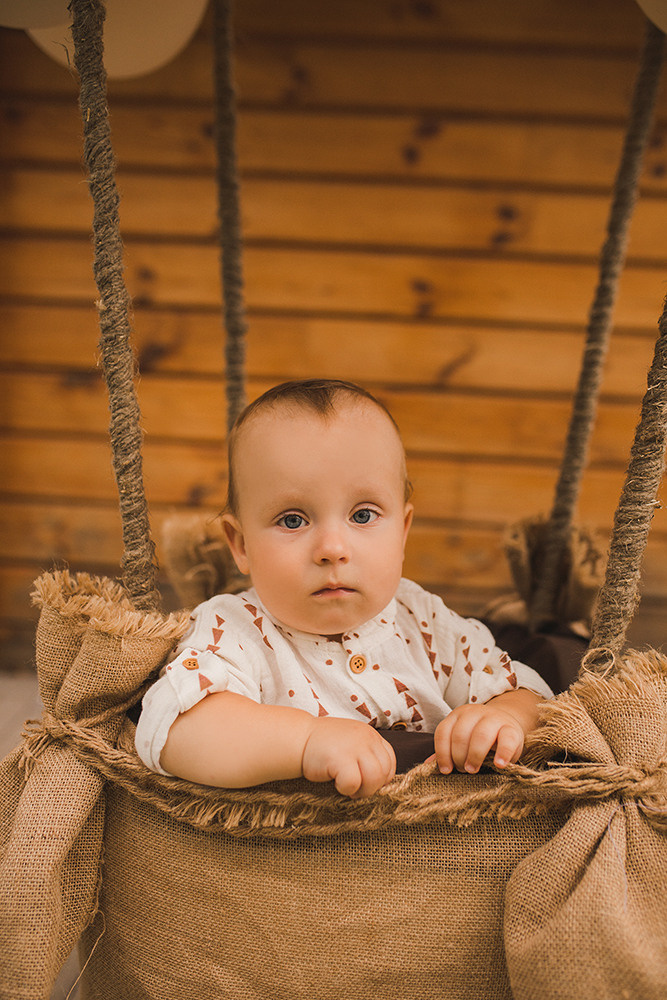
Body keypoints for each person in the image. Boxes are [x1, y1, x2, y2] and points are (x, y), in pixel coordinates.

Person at [135, 379, 552, 798]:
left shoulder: (423, 620)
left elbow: (528, 692)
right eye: (293, 520)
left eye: (363, 515)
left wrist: (503, 718)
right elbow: (173, 727)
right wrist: (305, 742)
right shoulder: (235, 629)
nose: (332, 549)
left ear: (402, 531)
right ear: (241, 546)